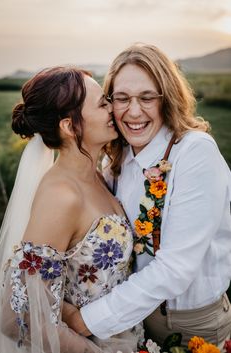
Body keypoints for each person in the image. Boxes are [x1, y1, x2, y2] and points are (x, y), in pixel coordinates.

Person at [62, 43, 231, 351]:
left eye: (147, 97)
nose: (134, 111)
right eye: (122, 98)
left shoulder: (195, 153)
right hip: (133, 320)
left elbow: (175, 269)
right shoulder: (117, 160)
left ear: (167, 99)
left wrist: (84, 321)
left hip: (188, 323)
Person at [0, 66, 143, 353]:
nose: (113, 108)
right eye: (102, 104)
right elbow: (16, 315)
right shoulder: (61, 196)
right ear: (69, 126)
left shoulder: (98, 175)